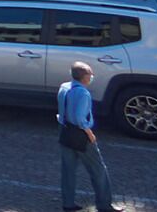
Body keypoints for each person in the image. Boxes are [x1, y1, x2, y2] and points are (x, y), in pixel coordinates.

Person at [58, 60, 119, 212]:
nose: (92, 76)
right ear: (84, 77)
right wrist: (90, 134)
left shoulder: (64, 87)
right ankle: (104, 205)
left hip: (65, 132)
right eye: (90, 73)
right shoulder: (83, 93)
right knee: (98, 170)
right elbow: (80, 118)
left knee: (68, 171)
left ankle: (68, 204)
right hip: (81, 136)